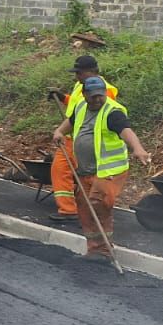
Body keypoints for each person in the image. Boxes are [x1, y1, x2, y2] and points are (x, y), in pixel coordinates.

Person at [63, 76, 151, 260]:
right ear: (85, 94)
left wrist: (138, 148)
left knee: (98, 205)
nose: (98, 99)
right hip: (85, 170)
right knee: (85, 207)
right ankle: (94, 249)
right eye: (93, 96)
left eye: (100, 95)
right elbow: (71, 121)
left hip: (108, 171)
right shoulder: (80, 107)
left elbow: (126, 130)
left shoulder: (112, 112)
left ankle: (105, 250)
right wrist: (59, 132)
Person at [48, 55, 120, 221]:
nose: (77, 76)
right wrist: (62, 97)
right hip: (73, 138)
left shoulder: (105, 90)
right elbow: (77, 108)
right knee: (62, 170)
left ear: (92, 72)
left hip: (87, 140)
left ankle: (90, 212)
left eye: (79, 73)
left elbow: (98, 113)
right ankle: (70, 210)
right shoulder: (81, 86)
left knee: (87, 177)